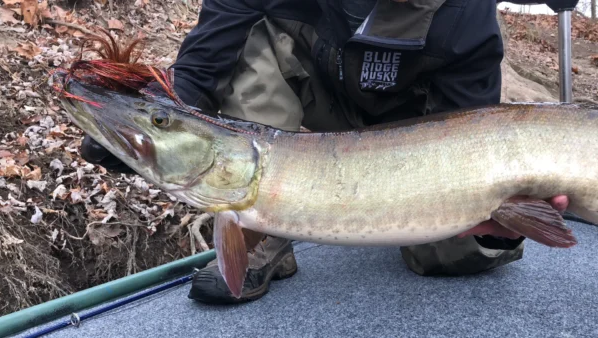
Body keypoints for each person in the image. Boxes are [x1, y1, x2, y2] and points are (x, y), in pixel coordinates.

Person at [81, 0, 574, 304]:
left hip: (418, 133)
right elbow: (207, 57)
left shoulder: (467, 16)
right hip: (317, 110)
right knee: (249, 37)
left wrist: (510, 211)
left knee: (457, 254)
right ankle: (257, 234)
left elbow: (473, 122)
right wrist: (151, 117)